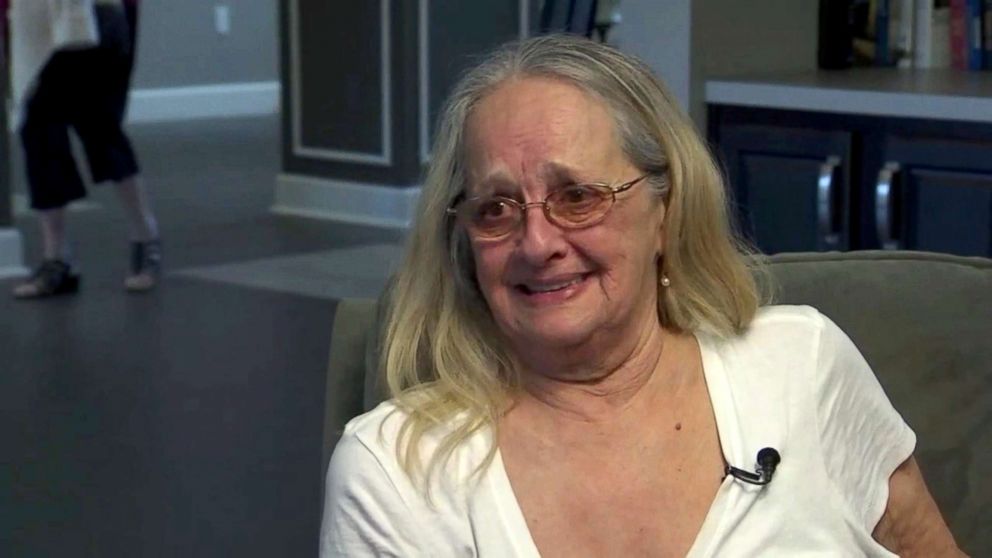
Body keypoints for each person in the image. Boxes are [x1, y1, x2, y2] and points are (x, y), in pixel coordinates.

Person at [320, 35, 962, 556]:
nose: (536, 241)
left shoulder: (802, 364)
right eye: (497, 208)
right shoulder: (394, 474)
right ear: (464, 241)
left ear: (664, 209)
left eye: (577, 197)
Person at [10, 0, 160, 299]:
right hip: (35, 19)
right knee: (40, 130)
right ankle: (57, 257)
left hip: (96, 17)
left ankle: (146, 236)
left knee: (99, 126)